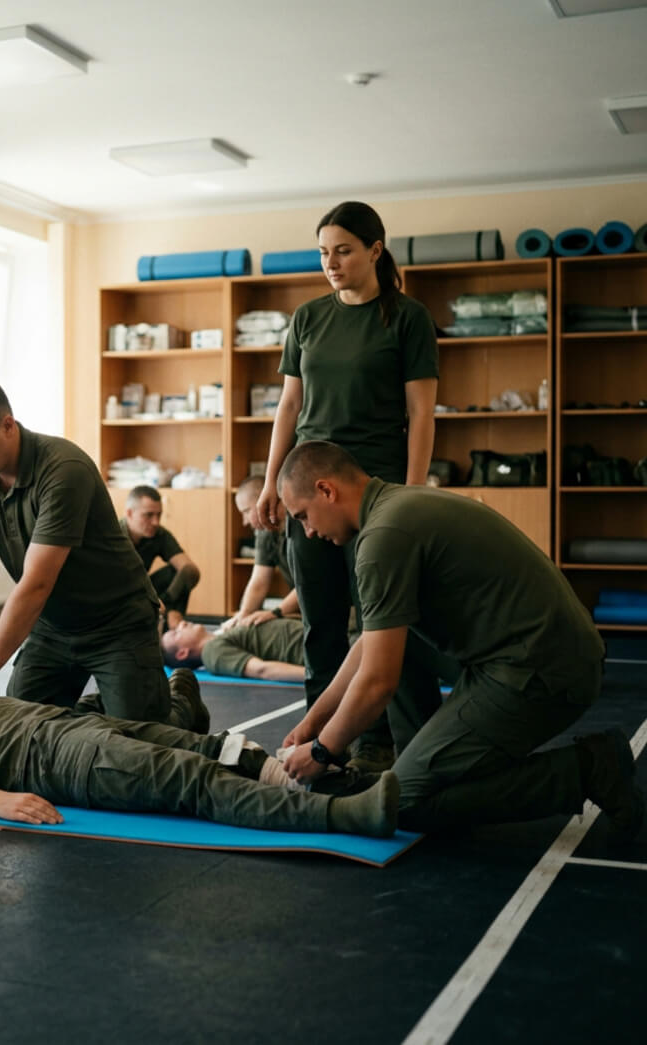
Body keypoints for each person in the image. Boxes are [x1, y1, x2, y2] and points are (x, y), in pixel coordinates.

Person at [274, 440, 643, 841]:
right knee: (398, 643)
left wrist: (321, 752)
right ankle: (422, 762)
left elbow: (378, 681)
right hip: (544, 653)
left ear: (327, 491)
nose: (308, 532)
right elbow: (369, 645)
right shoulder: (398, 505)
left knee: (400, 804)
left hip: (541, 672)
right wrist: (315, 722)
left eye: (304, 516)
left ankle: (587, 770)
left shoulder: (382, 540)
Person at [253, 201, 440, 768]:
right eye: (323, 252)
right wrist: (269, 484)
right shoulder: (308, 317)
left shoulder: (405, 317)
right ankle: (325, 745)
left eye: (343, 250)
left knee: (385, 624)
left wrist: (410, 494)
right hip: (308, 490)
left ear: (375, 251)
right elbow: (289, 405)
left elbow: (422, 414)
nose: (330, 262)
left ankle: (403, 748)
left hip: (374, 494)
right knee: (322, 628)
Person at [0, 669, 401, 839]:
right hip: (58, 760)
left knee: (205, 745)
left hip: (65, 728)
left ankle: (321, 784)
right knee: (193, 779)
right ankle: (341, 817)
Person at [0, 376, 172, 723]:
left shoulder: (63, 469)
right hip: (52, 626)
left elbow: (36, 584)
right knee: (19, 734)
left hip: (117, 623)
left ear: (7, 426)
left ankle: (179, 701)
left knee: (141, 744)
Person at [224, 473, 299, 631]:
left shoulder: (299, 524)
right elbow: (259, 581)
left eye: (246, 511)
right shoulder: (265, 532)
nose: (244, 522)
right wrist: (242, 616)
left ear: (263, 500)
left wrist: (274, 613)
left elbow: (309, 583)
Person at [119, 485, 200, 630]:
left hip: (146, 591)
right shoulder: (113, 536)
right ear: (129, 513)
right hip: (118, 595)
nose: (156, 522)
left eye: (159, 515)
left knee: (178, 573)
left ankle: (171, 626)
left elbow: (190, 571)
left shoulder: (159, 534)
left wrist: (167, 604)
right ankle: (169, 627)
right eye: (148, 515)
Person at [161, 618, 305, 683]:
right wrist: (315, 676)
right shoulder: (213, 653)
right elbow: (263, 670)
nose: (182, 623)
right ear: (182, 653)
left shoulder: (219, 636)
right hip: (310, 648)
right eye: (176, 633)